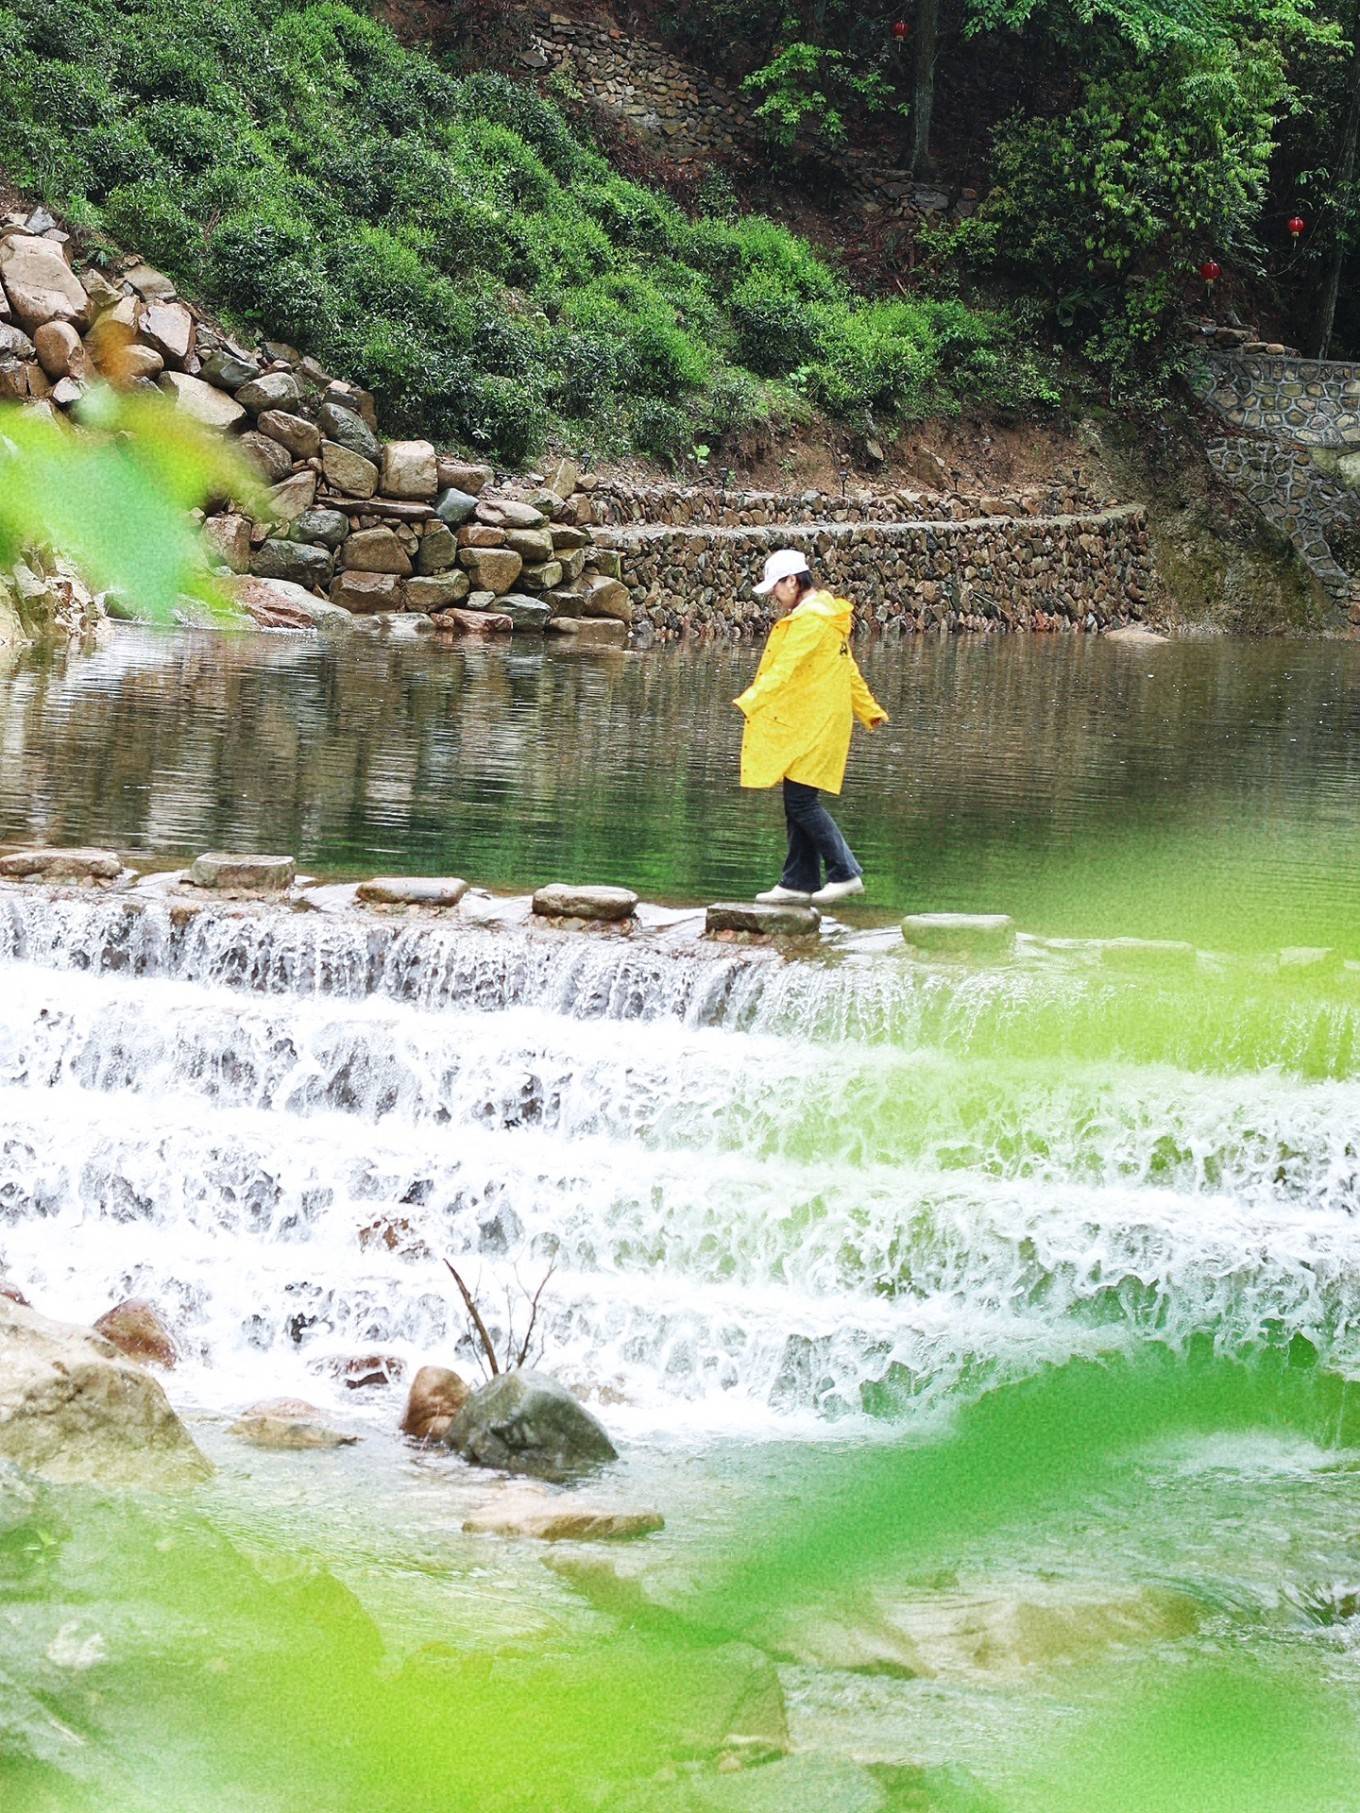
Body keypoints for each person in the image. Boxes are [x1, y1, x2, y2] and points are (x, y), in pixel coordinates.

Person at [733, 549, 888, 906]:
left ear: (792, 581)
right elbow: (847, 670)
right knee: (797, 800)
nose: (774, 595)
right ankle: (798, 881)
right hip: (812, 722)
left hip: (814, 724)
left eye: (776, 587)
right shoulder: (823, 616)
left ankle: (845, 873)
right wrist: (868, 709)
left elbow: (784, 668)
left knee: (802, 802)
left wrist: (752, 699)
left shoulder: (811, 621)